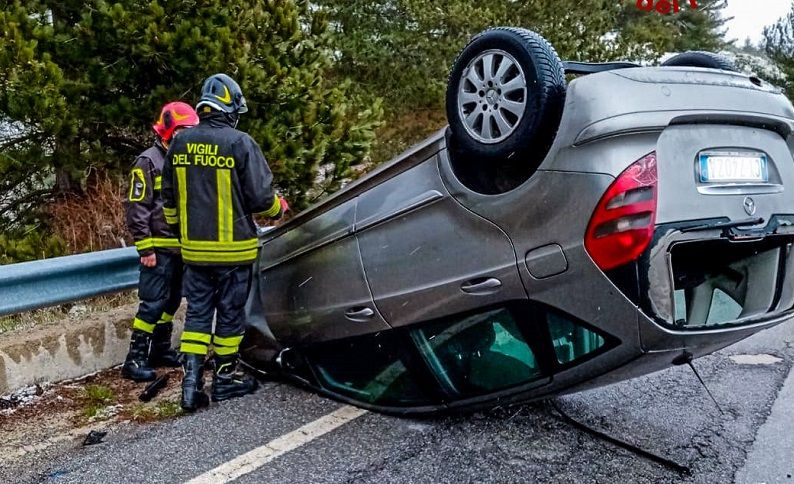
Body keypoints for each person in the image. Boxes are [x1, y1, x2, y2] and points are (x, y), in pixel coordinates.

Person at [162, 74, 288, 411]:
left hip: (195, 252)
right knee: (230, 316)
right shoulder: (240, 142)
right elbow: (262, 198)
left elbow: (169, 201)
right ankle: (224, 379)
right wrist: (280, 209)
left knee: (198, 315)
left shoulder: (180, 143)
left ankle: (190, 386)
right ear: (230, 107)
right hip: (234, 252)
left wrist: (182, 235)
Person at [122, 101, 200, 382]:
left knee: (171, 302)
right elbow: (136, 207)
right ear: (167, 132)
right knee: (153, 303)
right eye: (181, 132)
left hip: (180, 248)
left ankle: (161, 349)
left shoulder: (182, 160)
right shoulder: (148, 162)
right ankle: (135, 359)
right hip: (157, 249)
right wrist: (145, 247)